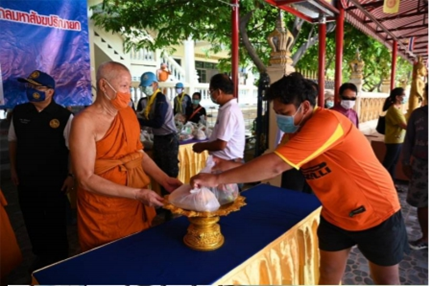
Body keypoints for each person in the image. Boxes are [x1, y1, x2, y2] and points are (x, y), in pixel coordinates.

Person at [191, 72, 409, 285]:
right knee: (328, 273)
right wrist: (228, 166)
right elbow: (272, 159)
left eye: (284, 111)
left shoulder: (328, 122)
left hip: (376, 212)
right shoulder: (294, 131)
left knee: (386, 280)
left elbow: (276, 166)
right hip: (336, 214)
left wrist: (214, 180)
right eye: (276, 112)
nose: (280, 118)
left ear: (305, 107)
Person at [70, 62, 182, 251]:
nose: (128, 92)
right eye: (123, 86)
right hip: (104, 207)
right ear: (104, 86)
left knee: (138, 252)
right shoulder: (84, 122)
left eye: (129, 87)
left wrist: (164, 179)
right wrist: (137, 194)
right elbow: (85, 179)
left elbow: (137, 153)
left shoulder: (128, 113)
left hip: (133, 201)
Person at [8, 70, 73, 270]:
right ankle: (40, 254)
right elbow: (13, 142)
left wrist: (71, 175)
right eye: (29, 86)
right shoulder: (19, 113)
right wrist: (13, 169)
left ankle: (60, 256)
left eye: (37, 87)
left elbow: (73, 148)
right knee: (32, 217)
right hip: (26, 178)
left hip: (55, 180)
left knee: (55, 219)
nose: (31, 90)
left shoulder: (63, 116)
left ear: (50, 92)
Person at [137, 71, 180, 221]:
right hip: (159, 139)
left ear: (155, 84)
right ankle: (164, 204)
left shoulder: (160, 99)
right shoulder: (147, 100)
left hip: (168, 139)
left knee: (170, 173)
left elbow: (158, 122)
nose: (145, 89)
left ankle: (172, 206)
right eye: (143, 87)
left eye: (147, 86)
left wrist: (139, 121)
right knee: (161, 173)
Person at [193, 74, 245, 164]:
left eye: (211, 91)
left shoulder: (229, 111)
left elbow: (221, 144)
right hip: (224, 159)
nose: (211, 95)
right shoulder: (227, 108)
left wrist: (202, 146)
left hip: (227, 162)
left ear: (219, 92)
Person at [401, 84, 428, 250]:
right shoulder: (418, 114)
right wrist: (405, 162)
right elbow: (408, 139)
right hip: (421, 165)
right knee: (422, 202)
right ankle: (426, 237)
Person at [382, 87, 407, 190]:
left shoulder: (398, 108)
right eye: (403, 95)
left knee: (393, 163)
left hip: (398, 139)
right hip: (394, 140)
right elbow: (404, 125)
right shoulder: (393, 110)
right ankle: (379, 182)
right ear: (397, 97)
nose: (405, 97)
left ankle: (391, 183)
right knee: (388, 163)